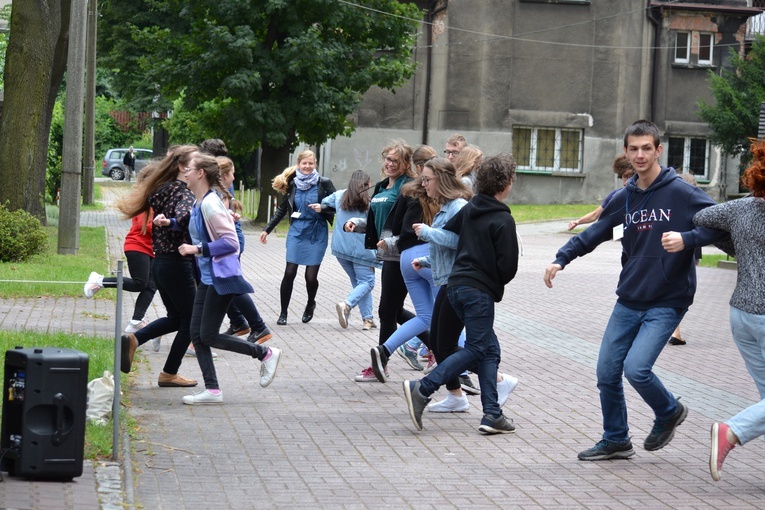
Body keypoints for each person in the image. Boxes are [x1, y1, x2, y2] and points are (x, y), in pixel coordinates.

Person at [543, 120, 728, 461]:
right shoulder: (624, 196)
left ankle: (668, 410)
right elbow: (596, 231)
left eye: (647, 148)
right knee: (606, 373)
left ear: (659, 150)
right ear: (626, 152)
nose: (640, 154)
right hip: (629, 297)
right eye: (634, 149)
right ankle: (616, 439)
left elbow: (721, 225)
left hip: (668, 300)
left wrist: (687, 239)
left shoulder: (682, 193)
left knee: (637, 369)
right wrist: (562, 258)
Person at [663, 139, 765, 481]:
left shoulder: (741, 209)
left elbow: (701, 218)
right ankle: (731, 432)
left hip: (741, 316)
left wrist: (737, 246)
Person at [403, 153, 520, 434]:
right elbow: (508, 267)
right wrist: (491, 276)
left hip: (454, 286)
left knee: (489, 352)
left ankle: (492, 414)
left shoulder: (468, 209)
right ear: (506, 183)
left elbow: (453, 240)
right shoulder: (503, 220)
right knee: (478, 349)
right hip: (477, 291)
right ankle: (424, 387)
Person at [176, 153, 282, 405]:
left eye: (189, 169)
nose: (185, 173)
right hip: (209, 278)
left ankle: (265, 353)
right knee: (197, 333)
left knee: (208, 335)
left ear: (200, 173)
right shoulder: (200, 202)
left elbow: (231, 242)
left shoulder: (210, 204)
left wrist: (197, 249)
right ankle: (212, 390)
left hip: (221, 277)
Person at [344, 141, 427, 382]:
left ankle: (381, 363)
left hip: (401, 254)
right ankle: (440, 349)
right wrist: (358, 225)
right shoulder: (382, 187)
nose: (390, 164)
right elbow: (380, 223)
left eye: (395, 160)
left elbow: (407, 226)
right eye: (387, 159)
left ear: (406, 164)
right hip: (388, 255)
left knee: (387, 311)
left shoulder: (408, 188)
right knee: (394, 311)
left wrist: (391, 243)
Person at [118, 145, 200, 388]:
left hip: (161, 263)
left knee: (176, 318)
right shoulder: (184, 193)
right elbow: (184, 215)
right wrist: (176, 221)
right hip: (177, 263)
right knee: (191, 320)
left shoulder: (162, 189)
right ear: (183, 168)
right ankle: (169, 373)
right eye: (197, 163)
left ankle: (134, 339)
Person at [85, 168, 160, 352]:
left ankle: (136, 320)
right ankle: (100, 280)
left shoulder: (154, 197)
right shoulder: (143, 197)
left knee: (152, 285)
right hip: (137, 246)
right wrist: (167, 226)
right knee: (139, 283)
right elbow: (146, 226)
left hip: (150, 249)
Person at [260, 150, 336, 325]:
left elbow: (338, 204)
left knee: (310, 277)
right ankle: (283, 312)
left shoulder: (323, 183)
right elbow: (282, 209)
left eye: (311, 163)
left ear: (315, 163)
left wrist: (323, 208)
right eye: (304, 163)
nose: (307, 166)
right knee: (289, 272)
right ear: (299, 164)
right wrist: (267, 229)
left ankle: (310, 303)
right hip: (297, 231)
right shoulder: (292, 183)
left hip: (317, 232)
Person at [215, 156, 272, 344]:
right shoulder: (215, 192)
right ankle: (241, 323)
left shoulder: (218, 193)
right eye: (232, 174)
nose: (233, 178)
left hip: (225, 244)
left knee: (232, 284)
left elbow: (221, 219)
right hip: (222, 244)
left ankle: (257, 327)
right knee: (225, 286)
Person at [320, 169, 380, 331]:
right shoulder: (371, 202)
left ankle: (368, 319)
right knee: (367, 282)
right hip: (362, 251)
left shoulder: (339, 196)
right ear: (366, 184)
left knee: (359, 284)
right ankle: (346, 305)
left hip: (341, 249)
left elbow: (325, 202)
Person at [667, 172, 702, 346]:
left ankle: (675, 331)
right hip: (682, 260)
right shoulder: (693, 208)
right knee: (679, 296)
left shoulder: (669, 206)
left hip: (667, 255)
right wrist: (696, 257)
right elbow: (697, 234)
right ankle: (675, 331)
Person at [567, 156, 634, 231]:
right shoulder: (615, 196)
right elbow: (594, 215)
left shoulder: (646, 195)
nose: (627, 181)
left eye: (631, 177)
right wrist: (577, 222)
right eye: (625, 177)